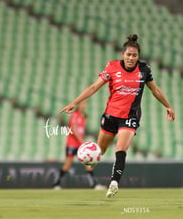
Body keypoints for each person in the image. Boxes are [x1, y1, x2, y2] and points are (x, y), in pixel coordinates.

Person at [60, 34, 175, 198]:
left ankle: (114, 182)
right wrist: (75, 102)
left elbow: (155, 90)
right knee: (99, 152)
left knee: (121, 148)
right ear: (123, 54)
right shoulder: (112, 67)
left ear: (138, 56)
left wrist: (168, 105)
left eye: (134, 55)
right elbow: (94, 87)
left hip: (130, 116)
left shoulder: (144, 70)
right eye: (128, 54)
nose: (131, 58)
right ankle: (89, 159)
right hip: (110, 116)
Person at [53, 100, 104, 190]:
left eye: (85, 103)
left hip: (80, 145)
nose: (84, 105)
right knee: (67, 165)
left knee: (88, 163)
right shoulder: (74, 115)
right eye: (82, 103)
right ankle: (56, 183)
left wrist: (82, 142)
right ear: (79, 105)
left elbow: (81, 131)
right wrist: (82, 141)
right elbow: (74, 130)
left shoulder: (84, 116)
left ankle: (93, 184)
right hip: (72, 144)